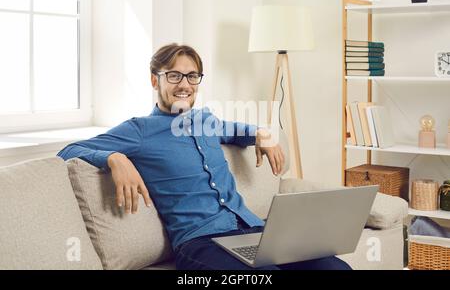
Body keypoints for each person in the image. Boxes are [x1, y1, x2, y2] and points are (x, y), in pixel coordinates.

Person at [57, 43, 351, 270]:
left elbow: (234, 130)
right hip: (200, 243)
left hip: (252, 229)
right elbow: (69, 150)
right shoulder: (139, 131)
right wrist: (115, 158)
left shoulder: (206, 120)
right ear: (154, 80)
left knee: (333, 266)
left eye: (192, 76)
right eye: (174, 75)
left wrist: (261, 132)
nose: (184, 84)